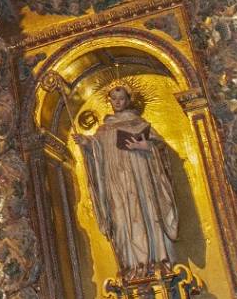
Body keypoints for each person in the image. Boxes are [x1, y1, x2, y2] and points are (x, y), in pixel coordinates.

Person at [76, 85, 181, 277]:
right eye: (114, 99)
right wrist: (87, 144)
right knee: (121, 219)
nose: (117, 102)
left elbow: (160, 148)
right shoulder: (103, 130)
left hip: (141, 181)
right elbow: (97, 152)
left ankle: (155, 262)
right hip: (116, 183)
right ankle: (132, 266)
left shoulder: (139, 123)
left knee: (144, 214)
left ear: (128, 100)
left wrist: (147, 146)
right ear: (109, 101)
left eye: (122, 98)